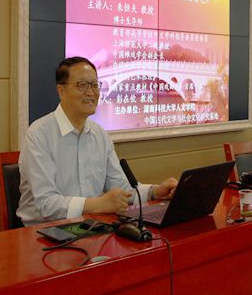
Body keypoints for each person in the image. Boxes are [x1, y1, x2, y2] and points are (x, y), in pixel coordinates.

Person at [17, 56, 178, 226]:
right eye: (82, 85)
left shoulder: (100, 135)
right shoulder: (38, 135)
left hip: (91, 225)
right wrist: (99, 204)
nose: (91, 92)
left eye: (95, 85)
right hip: (40, 232)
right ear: (61, 91)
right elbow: (47, 204)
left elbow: (122, 188)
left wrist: (155, 192)